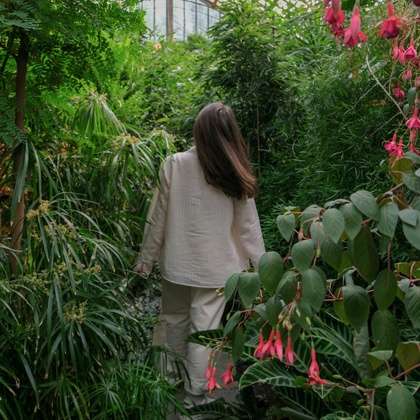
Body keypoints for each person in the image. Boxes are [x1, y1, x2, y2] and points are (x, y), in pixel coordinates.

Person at [134, 102, 265, 410]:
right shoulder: (235, 170)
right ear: (231, 133)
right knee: (205, 330)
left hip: (176, 265)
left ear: (198, 131)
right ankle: (196, 396)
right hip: (217, 269)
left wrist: (145, 260)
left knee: (173, 321)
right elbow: (248, 230)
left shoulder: (175, 164)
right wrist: (263, 271)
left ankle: (169, 380)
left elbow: (157, 218)